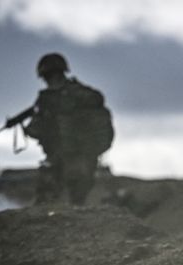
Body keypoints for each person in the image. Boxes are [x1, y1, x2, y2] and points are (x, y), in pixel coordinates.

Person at [24, 53, 115, 206]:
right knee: (60, 200)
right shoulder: (75, 95)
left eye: (47, 77)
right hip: (68, 156)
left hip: (75, 156)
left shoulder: (63, 98)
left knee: (71, 200)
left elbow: (37, 128)